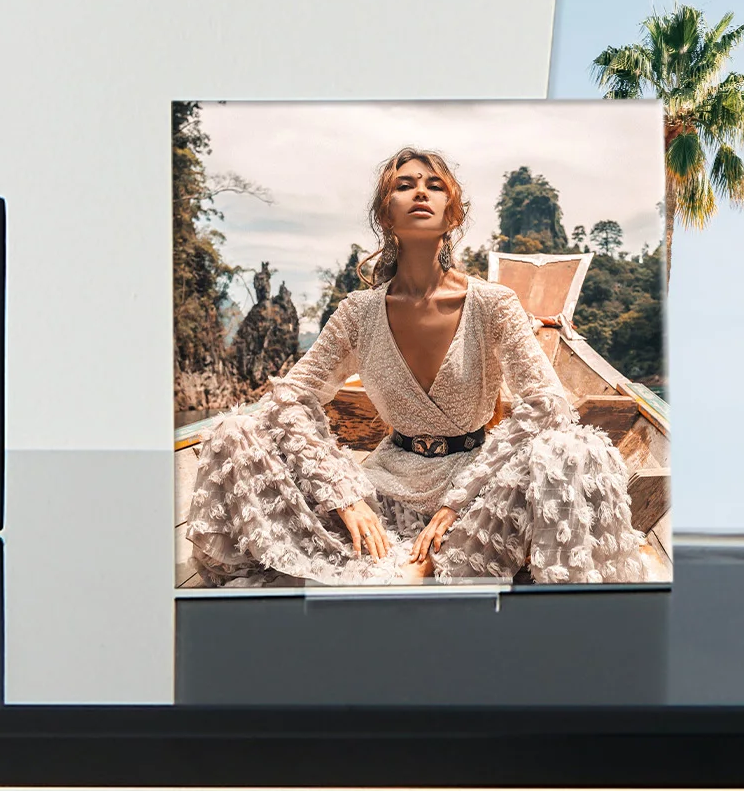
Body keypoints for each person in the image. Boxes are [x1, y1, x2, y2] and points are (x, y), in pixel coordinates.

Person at [185, 146, 650, 586]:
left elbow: (547, 405)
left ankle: (497, 582)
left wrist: (455, 504)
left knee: (574, 448)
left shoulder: (494, 304)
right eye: (405, 185)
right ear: (386, 215)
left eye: (435, 185)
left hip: (476, 494)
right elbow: (289, 398)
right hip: (385, 489)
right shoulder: (357, 313)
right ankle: (400, 562)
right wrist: (343, 494)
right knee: (235, 432)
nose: (421, 192)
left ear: (454, 213)